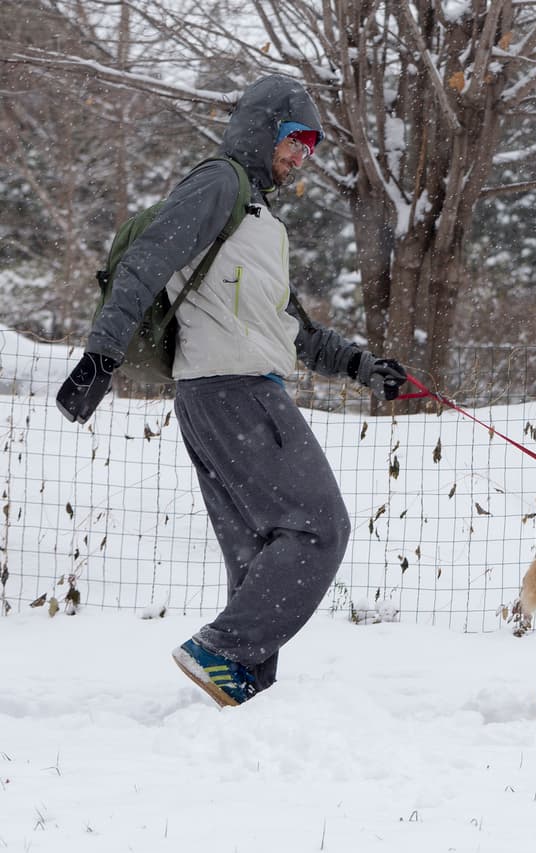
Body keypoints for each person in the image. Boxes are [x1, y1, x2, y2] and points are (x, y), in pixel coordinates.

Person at [55, 74, 407, 707]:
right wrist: (100, 358)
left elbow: (293, 329)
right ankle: (223, 651)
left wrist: (361, 366)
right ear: (261, 125)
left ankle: (245, 690)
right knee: (319, 528)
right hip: (235, 390)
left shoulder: (259, 220)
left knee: (259, 549)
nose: (304, 153)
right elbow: (146, 262)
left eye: (313, 144)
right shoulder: (219, 182)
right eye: (295, 137)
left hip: (212, 397)